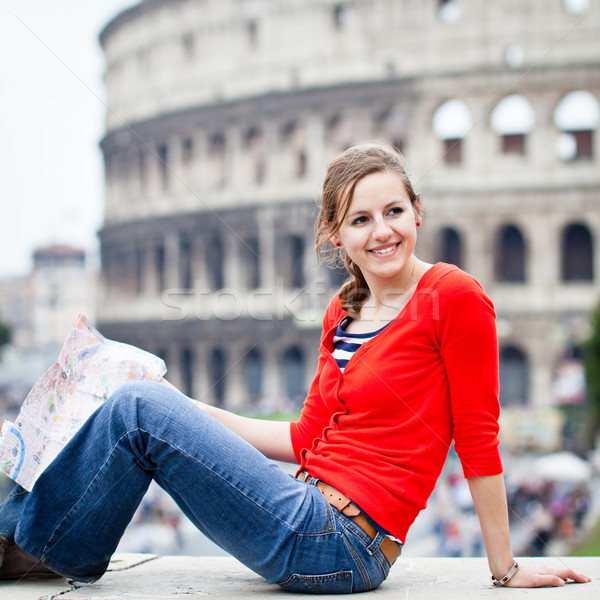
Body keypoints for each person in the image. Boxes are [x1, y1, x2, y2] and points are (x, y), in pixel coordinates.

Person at [0, 142, 590, 592]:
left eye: (394, 211)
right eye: (361, 220)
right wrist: (180, 404)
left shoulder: (454, 296)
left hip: (345, 544)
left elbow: (479, 437)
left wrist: (505, 568)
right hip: (302, 507)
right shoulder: (343, 309)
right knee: (139, 402)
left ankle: (38, 544)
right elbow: (304, 438)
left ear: (418, 212)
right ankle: (27, 539)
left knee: (137, 407)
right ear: (337, 235)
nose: (382, 231)